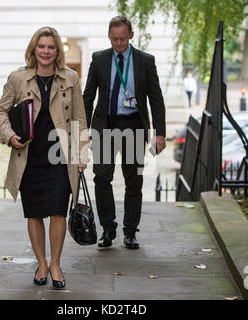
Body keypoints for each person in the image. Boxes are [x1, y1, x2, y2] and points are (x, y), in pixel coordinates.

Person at [0, 27, 88, 289]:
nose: (46, 51)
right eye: (41, 46)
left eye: (51, 47)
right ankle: (42, 263)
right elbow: (1, 112)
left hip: (60, 155)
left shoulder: (71, 78)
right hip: (29, 156)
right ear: (33, 49)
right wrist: (9, 134)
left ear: (57, 51)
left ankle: (56, 264)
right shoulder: (17, 78)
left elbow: (80, 118)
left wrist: (82, 155)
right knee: (34, 213)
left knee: (58, 211)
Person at [83, 16, 166, 250]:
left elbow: (156, 98)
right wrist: (82, 129)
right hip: (105, 125)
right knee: (101, 176)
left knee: (134, 179)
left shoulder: (145, 61)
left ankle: (130, 231)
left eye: (122, 38)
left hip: (133, 126)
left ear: (131, 35)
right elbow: (88, 97)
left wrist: (160, 133)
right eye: (113, 39)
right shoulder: (99, 59)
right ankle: (108, 228)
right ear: (109, 36)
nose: (118, 43)